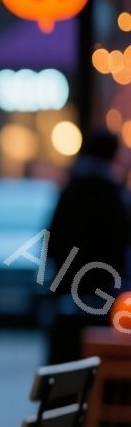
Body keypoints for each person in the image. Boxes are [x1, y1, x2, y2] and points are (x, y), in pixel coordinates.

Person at [44, 127, 130, 365]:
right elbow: (121, 242)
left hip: (68, 287)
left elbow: (52, 237)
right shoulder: (114, 194)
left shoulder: (72, 189)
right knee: (98, 355)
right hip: (104, 289)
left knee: (65, 354)